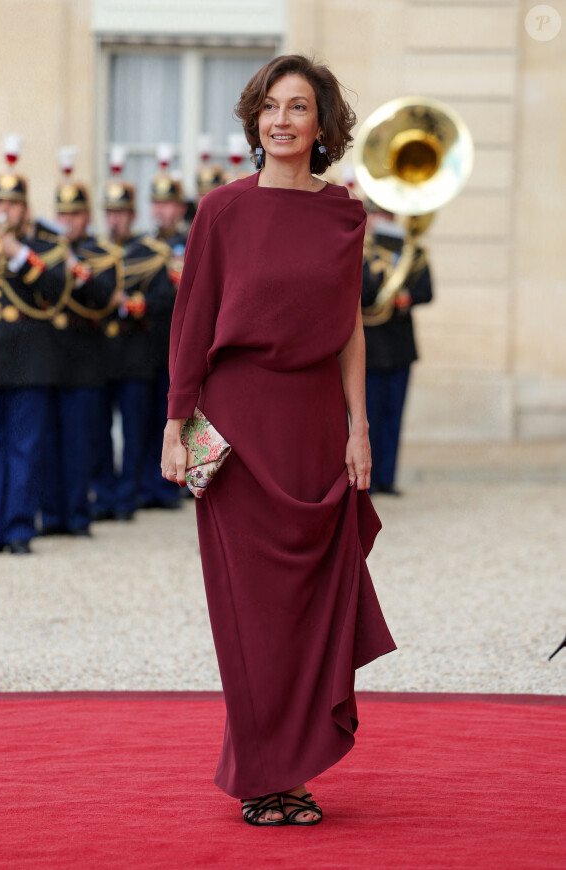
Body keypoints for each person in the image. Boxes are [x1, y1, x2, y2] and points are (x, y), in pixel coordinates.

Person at [161, 55, 396, 826]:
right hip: (235, 428)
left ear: (322, 124)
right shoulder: (222, 211)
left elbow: (350, 330)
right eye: (270, 106)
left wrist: (360, 428)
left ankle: (293, 769)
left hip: (316, 427)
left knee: (310, 604)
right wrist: (176, 424)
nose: (282, 120)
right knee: (253, 611)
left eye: (298, 107)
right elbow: (193, 322)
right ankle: (265, 776)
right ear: (254, 120)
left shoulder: (344, 214)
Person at [0, 159, 69, 554]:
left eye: (12, 203)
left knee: (24, 449)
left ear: (25, 208)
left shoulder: (46, 249)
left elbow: (55, 291)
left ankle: (18, 528)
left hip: (31, 362)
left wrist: (18, 254)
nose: (5, 210)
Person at [38, 174, 123, 536]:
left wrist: (75, 264)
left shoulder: (101, 255)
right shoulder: (44, 253)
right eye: (62, 213)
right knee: (48, 443)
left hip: (85, 360)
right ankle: (53, 514)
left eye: (74, 214)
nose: (67, 220)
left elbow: (106, 297)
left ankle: (76, 515)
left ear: (87, 217)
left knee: (79, 443)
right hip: (48, 359)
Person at [90, 176, 174, 521]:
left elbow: (162, 299)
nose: (115, 219)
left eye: (121, 212)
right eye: (110, 212)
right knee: (98, 432)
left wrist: (130, 304)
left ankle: (128, 495)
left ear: (131, 215)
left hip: (136, 353)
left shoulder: (150, 254)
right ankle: (105, 494)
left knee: (135, 431)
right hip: (100, 356)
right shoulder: (92, 253)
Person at [361, 205, 433, 495]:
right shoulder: (360, 250)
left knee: (394, 414)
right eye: (376, 213)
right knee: (369, 416)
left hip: (399, 345)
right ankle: (368, 478)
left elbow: (426, 291)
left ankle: (387, 478)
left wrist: (407, 297)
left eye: (387, 214)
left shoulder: (412, 252)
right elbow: (363, 293)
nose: (382, 219)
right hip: (370, 346)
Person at [139, 156, 188, 509]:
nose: (162, 211)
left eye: (168, 204)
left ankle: (170, 485)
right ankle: (145, 484)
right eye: (157, 203)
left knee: (175, 417)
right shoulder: (143, 246)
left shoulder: (190, 240)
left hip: (182, 341)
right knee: (144, 419)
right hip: (148, 341)